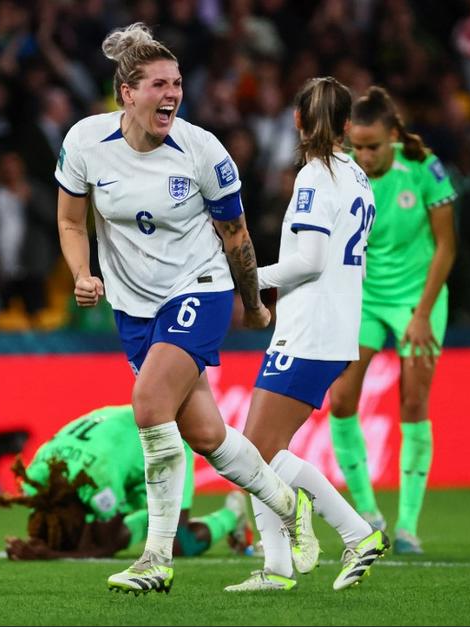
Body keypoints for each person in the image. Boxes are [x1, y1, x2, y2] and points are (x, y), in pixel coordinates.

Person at [54, 23, 317, 595]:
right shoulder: (85, 142)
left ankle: (155, 557)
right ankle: (288, 504)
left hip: (199, 287)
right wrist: (82, 273)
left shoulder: (202, 151)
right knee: (205, 435)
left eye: (176, 84)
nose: (172, 94)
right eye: (158, 84)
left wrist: (253, 303)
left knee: (149, 405)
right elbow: (72, 222)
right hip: (133, 305)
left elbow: (236, 234)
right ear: (127, 93)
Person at [224, 77, 388, 593]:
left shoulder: (315, 175)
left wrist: (249, 278)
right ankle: (277, 568)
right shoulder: (358, 176)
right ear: (347, 125)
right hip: (331, 325)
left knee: (254, 452)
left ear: (298, 120)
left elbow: (311, 260)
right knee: (256, 451)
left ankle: (356, 533)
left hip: (310, 329)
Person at [327, 86, 457, 555]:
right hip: (365, 299)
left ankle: (408, 528)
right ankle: (368, 514)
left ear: (394, 137)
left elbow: (447, 247)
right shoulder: (342, 172)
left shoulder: (423, 168)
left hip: (418, 299)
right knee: (341, 399)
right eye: (358, 147)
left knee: (414, 402)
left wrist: (422, 315)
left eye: (373, 147)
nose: (364, 156)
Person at [0, 406, 254, 560]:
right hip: (121, 443)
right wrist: (45, 542)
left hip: (161, 441)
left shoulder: (97, 479)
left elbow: (107, 544)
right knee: (102, 527)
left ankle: (232, 515)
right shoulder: (35, 482)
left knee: (175, 542)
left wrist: (53, 555)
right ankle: (153, 517)